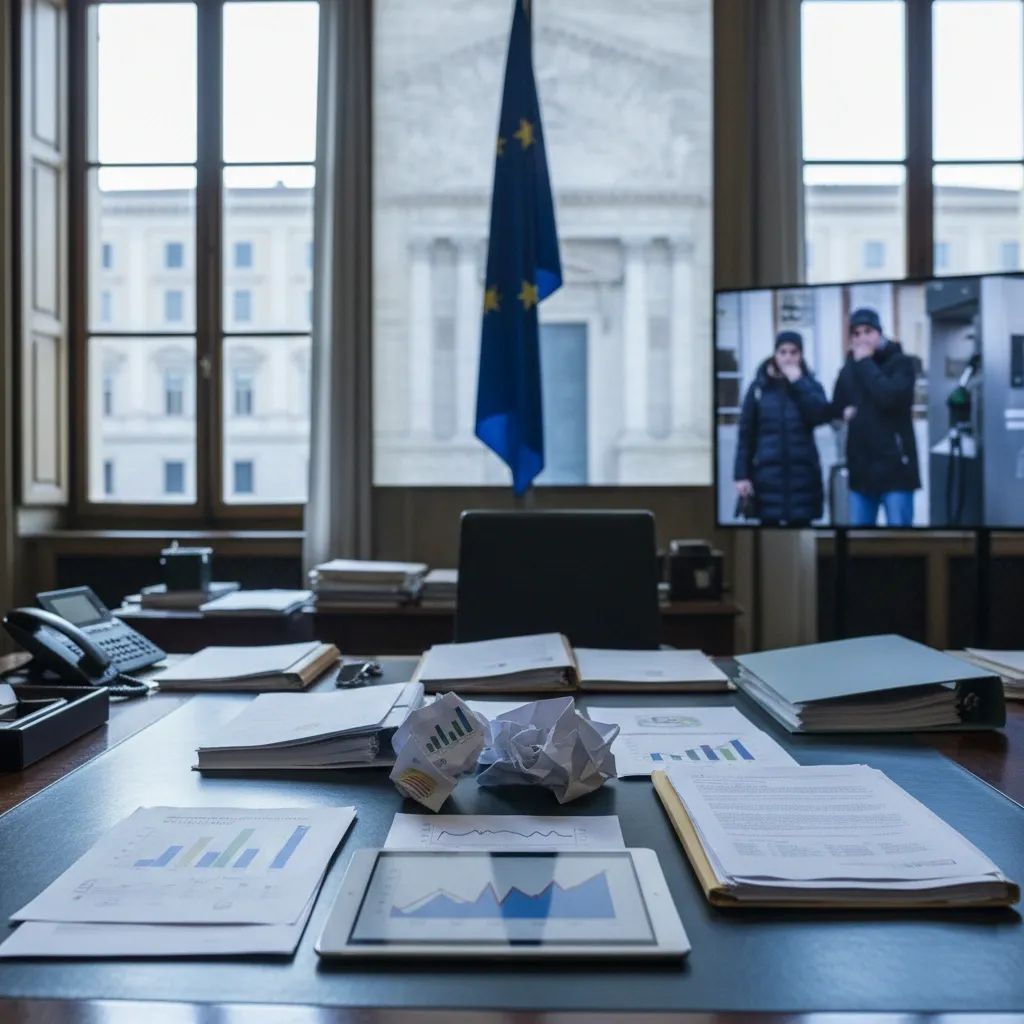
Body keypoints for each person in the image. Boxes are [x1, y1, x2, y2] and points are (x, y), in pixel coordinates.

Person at [831, 307, 920, 527]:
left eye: (868, 331)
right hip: (861, 469)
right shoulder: (848, 369)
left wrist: (865, 363)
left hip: (896, 468)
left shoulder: (901, 363)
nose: (862, 338)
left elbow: (889, 397)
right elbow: (836, 406)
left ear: (880, 333)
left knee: (900, 535)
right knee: (859, 539)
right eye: (856, 333)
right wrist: (842, 412)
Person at [734, 330, 831, 527]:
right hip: (767, 478)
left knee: (801, 536)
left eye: (794, 352)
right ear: (775, 354)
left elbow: (820, 416)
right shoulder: (759, 388)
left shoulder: (810, 384)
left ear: (801, 355)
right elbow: (746, 434)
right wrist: (741, 475)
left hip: (803, 479)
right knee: (769, 539)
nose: (788, 358)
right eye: (783, 352)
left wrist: (798, 382)